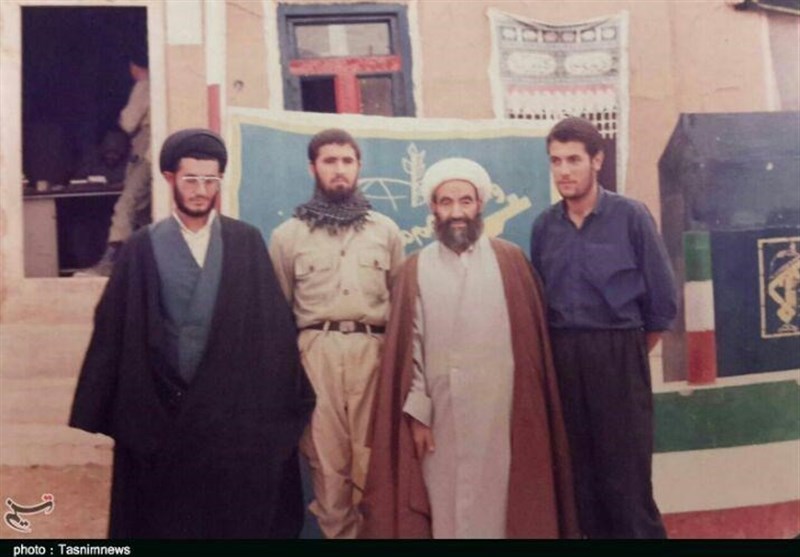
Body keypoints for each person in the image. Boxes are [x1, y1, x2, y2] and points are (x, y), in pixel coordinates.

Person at [69, 128, 315, 538]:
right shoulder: (142, 247)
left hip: (228, 419)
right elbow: (115, 330)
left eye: (209, 180)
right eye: (191, 180)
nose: (201, 191)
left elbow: (270, 333)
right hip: (162, 415)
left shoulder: (245, 242)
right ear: (170, 178)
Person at [360, 158, 579, 539]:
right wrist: (418, 415)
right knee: (447, 505)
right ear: (433, 208)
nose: (457, 212)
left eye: (465, 201)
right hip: (442, 416)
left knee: (503, 505)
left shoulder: (511, 261)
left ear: (480, 205)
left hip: (502, 413)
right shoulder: (415, 268)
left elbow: (531, 351)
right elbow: (411, 349)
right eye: (446, 202)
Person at [529, 117, 678, 538]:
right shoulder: (544, 227)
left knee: (627, 483)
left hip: (618, 355)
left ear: (597, 160)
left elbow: (662, 302)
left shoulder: (630, 216)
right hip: (564, 359)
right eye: (556, 161)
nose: (563, 171)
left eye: (573, 160)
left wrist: (623, 355)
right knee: (580, 482)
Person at [269, 128, 404, 539]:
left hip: (372, 355)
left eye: (347, 161)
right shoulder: (288, 236)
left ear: (359, 167)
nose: (339, 170)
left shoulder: (385, 231)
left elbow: (402, 304)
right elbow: (278, 313)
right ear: (313, 168)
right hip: (316, 355)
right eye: (330, 161)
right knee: (328, 471)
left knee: (374, 466)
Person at [76, 50, 151, 276]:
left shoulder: (145, 85)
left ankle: (111, 262)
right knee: (143, 210)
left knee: (126, 205)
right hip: (152, 151)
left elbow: (128, 123)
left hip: (147, 150)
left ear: (134, 66)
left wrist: (121, 117)